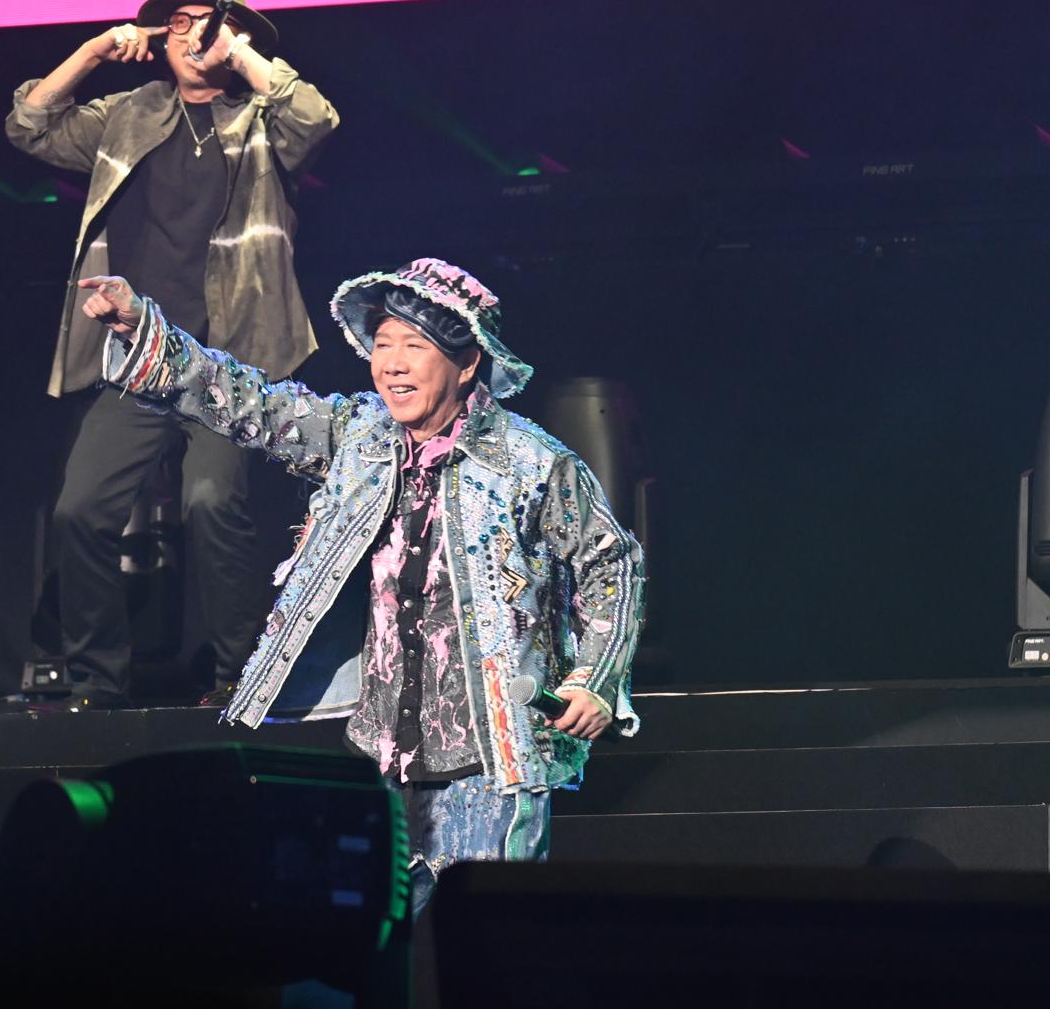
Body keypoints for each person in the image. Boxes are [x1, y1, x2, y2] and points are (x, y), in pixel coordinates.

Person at [77, 257, 643, 914]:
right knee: (375, 946)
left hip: (495, 760)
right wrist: (142, 328)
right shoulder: (358, 436)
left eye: (415, 346)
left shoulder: (532, 461)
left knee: (488, 937)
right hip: (381, 756)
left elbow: (612, 562)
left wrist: (594, 678)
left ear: (466, 364)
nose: (393, 364)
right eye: (383, 344)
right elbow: (250, 401)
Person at [6, 0, 340, 710]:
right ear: (158, 38)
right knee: (80, 511)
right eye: (181, 23)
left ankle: (237, 676)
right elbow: (29, 124)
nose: (195, 37)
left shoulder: (259, 121)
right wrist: (95, 52)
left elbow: (316, 120)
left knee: (211, 504)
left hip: (228, 365)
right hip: (139, 358)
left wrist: (240, 54)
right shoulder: (129, 114)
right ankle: (97, 680)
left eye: (213, 24)